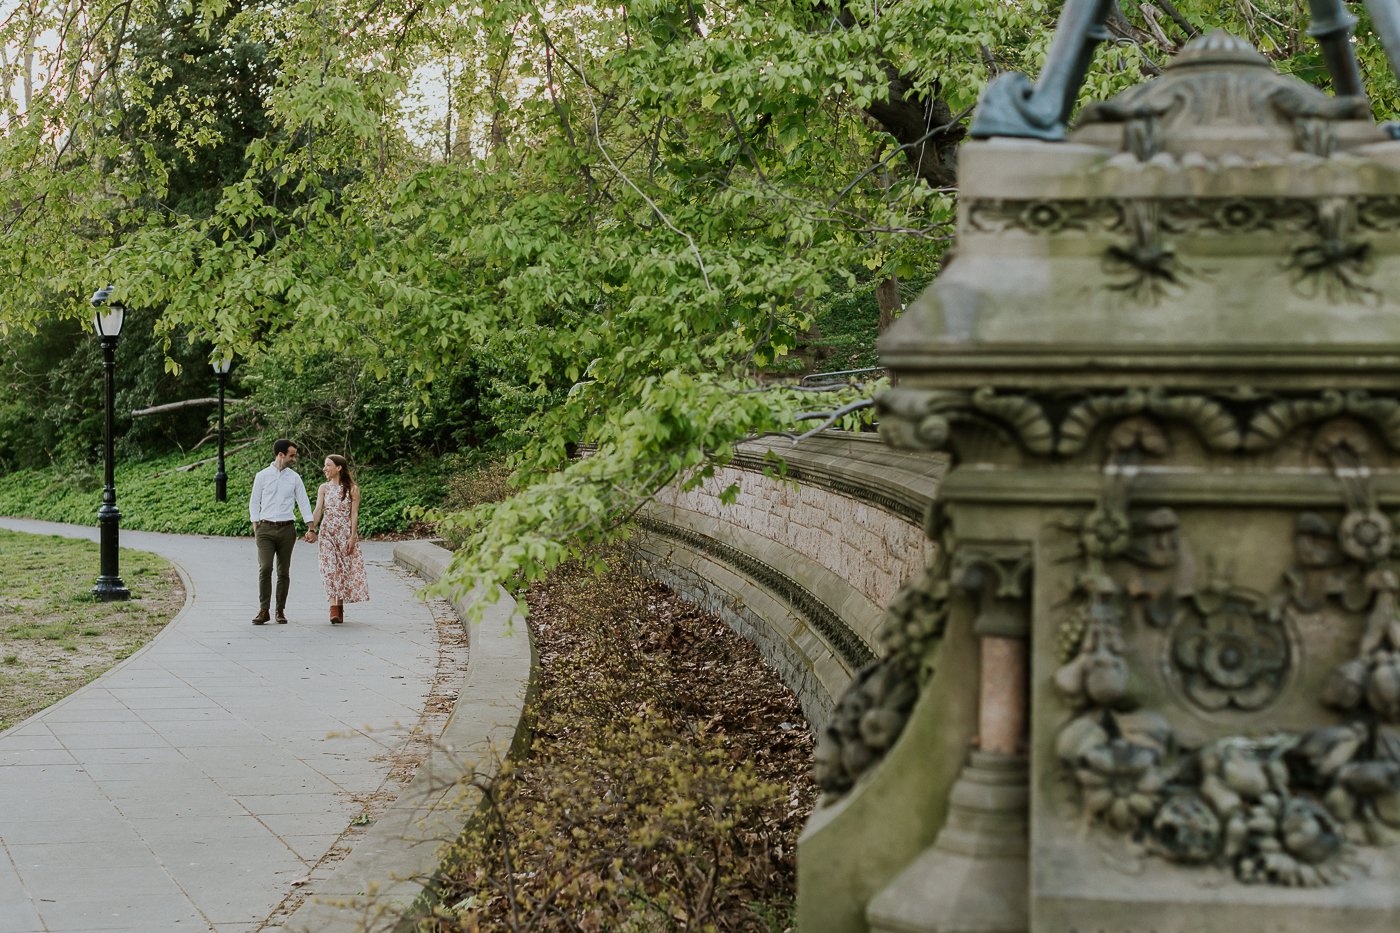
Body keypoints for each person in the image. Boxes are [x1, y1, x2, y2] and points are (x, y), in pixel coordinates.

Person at [248, 438, 314, 624]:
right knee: (265, 568)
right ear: (280, 455)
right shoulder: (262, 476)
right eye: (291, 455)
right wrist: (255, 525)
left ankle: (280, 610)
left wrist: (310, 526)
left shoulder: (294, 478)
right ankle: (263, 610)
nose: (294, 458)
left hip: (287, 530)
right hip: (265, 529)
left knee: (283, 571)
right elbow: (254, 501)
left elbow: (303, 501)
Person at [305, 454, 369, 624]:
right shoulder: (323, 488)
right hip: (327, 532)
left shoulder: (352, 489)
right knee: (329, 568)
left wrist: (353, 536)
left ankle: (339, 608)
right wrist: (312, 529)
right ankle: (333, 606)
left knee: (342, 569)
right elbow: (318, 510)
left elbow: (354, 514)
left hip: (344, 533)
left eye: (328, 465)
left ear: (338, 468)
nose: (324, 468)